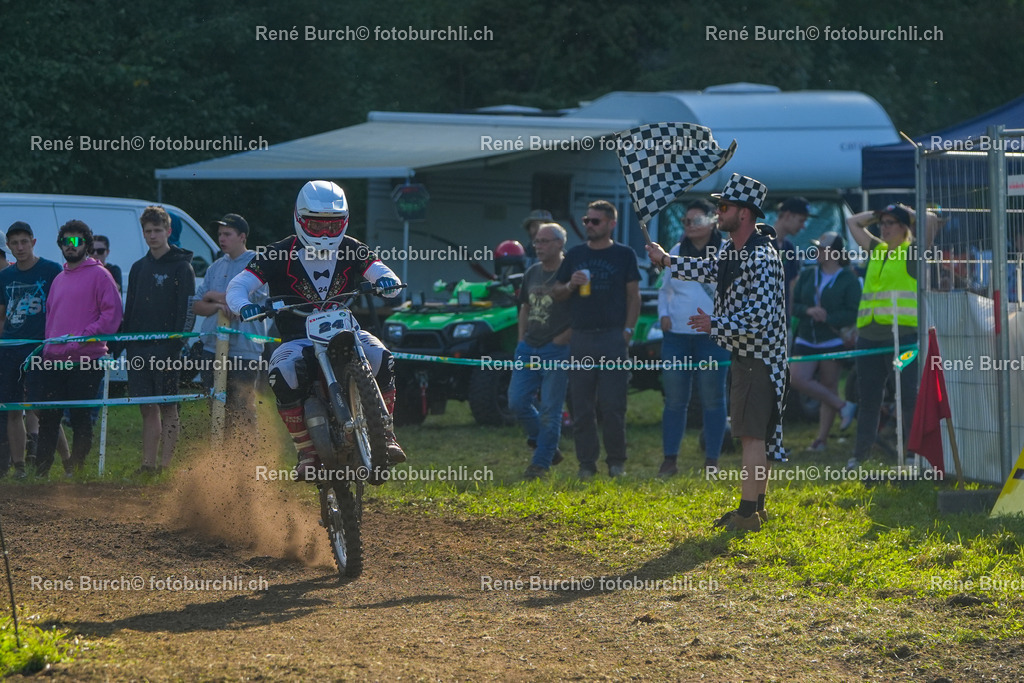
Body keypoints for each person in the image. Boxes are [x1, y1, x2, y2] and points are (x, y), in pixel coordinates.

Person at [226, 180, 406, 481]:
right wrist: (243, 305)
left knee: (382, 357)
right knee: (282, 373)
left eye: (332, 226)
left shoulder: (352, 248)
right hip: (297, 338)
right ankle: (307, 451)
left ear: (344, 222)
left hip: (346, 332)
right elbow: (239, 284)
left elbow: (381, 270)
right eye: (316, 225)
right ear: (299, 219)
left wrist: (386, 282)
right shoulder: (277, 253)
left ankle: (385, 434)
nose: (324, 233)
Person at [646, 174, 788, 532]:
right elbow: (706, 268)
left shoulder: (761, 257)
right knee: (761, 436)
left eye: (724, 206)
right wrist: (666, 261)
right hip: (753, 357)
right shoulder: (733, 250)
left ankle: (745, 514)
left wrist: (715, 325)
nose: (718, 212)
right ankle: (756, 509)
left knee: (752, 436)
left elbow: (761, 316)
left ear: (744, 214)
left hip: (758, 358)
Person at [844, 203, 938, 470]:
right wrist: (878, 213)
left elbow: (929, 221)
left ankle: (912, 455)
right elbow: (853, 223)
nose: (883, 228)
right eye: (881, 223)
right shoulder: (877, 250)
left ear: (904, 227)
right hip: (870, 338)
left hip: (903, 339)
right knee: (869, 400)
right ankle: (860, 457)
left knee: (907, 397)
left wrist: (906, 213)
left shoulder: (913, 253)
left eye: (890, 223)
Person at [553, 200, 640, 479]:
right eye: (587, 220)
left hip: (613, 337)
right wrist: (570, 285)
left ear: (611, 224)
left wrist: (627, 331)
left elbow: (633, 296)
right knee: (581, 406)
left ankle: (616, 462)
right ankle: (586, 464)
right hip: (582, 338)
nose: (589, 225)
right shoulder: (576, 255)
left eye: (595, 221)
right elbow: (556, 292)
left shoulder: (624, 254)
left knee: (613, 405)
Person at [30, 220, 122, 476]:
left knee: (80, 418)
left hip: (86, 359)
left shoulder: (101, 275)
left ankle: (77, 470)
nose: (70, 246)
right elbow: (52, 320)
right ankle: (41, 473)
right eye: (65, 241)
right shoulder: (59, 279)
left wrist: (82, 337)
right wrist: (48, 349)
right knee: (48, 418)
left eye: (76, 240)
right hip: (53, 360)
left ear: (86, 244)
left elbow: (112, 317)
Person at [656, 199, 730, 478]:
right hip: (676, 336)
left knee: (713, 399)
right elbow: (665, 290)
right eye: (686, 221)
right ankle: (669, 459)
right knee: (675, 400)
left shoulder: (726, 251)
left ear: (713, 222)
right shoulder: (675, 251)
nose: (689, 226)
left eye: (696, 221)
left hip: (712, 337)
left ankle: (712, 461)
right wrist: (663, 312)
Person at [121, 206, 196, 475]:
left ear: (168, 231)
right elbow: (129, 310)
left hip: (167, 349)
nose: (152, 236)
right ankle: (147, 464)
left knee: (168, 406)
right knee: (146, 407)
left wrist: (175, 346)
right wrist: (120, 344)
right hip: (138, 348)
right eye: (148, 231)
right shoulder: (138, 268)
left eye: (157, 230)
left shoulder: (182, 267)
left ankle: (165, 465)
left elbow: (187, 311)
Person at [191, 213, 266, 443]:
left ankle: (245, 463)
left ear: (242, 237)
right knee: (215, 405)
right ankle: (218, 460)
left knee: (242, 408)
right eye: (220, 234)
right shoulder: (215, 267)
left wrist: (214, 296)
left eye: (227, 234)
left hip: (244, 350)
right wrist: (216, 305)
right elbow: (197, 305)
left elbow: (250, 302)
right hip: (212, 347)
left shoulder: (257, 264)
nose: (221, 239)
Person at [508, 222, 572, 480]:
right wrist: (521, 339)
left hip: (555, 349)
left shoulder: (569, 273)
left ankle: (540, 463)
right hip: (528, 347)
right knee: (517, 401)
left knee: (551, 409)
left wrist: (562, 339)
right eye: (536, 241)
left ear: (559, 243)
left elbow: (581, 312)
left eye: (544, 241)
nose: (538, 246)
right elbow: (524, 306)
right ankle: (545, 444)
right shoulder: (532, 272)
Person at [0, 222, 63, 479]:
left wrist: (55, 342)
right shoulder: (4, 276)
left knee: (42, 408)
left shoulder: (51, 270)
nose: (20, 247)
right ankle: (19, 466)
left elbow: (61, 309)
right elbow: (2, 315)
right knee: (12, 409)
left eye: (24, 242)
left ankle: (67, 460)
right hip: (10, 348)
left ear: (33, 242)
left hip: (39, 347)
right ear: (8, 246)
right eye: (14, 243)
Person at [789, 231, 861, 452]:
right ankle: (843, 406)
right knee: (795, 378)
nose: (818, 252)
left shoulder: (849, 278)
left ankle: (821, 439)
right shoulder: (809, 274)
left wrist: (828, 317)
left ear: (835, 252)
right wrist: (809, 310)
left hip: (832, 339)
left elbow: (853, 312)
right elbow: (794, 305)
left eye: (822, 248)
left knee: (829, 385)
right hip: (806, 337)